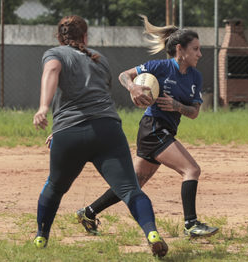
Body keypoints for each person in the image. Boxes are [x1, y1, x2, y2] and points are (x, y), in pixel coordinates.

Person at [32, 15, 168, 257]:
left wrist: (44, 108)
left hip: (70, 133)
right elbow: (94, 97)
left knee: (55, 186)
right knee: (130, 189)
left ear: (60, 36)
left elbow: (52, 70)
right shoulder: (100, 59)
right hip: (107, 130)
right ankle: (151, 233)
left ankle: (41, 237)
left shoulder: (55, 53)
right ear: (85, 36)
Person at [75, 15, 218, 238]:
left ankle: (88, 212)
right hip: (153, 128)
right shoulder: (159, 67)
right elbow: (124, 75)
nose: (200, 54)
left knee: (133, 183)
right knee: (191, 170)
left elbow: (194, 113)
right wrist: (132, 87)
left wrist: (176, 105)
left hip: (165, 130)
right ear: (180, 49)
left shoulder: (195, 77)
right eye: (196, 49)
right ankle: (191, 224)